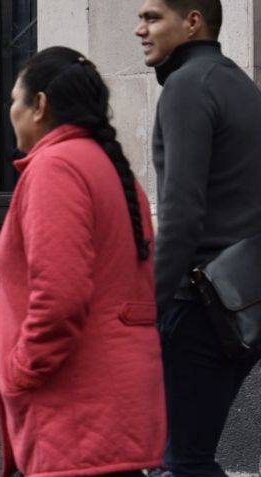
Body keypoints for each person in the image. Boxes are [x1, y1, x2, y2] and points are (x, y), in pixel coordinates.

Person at [0, 46, 166, 476]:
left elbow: (60, 296)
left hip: (73, 407)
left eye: (15, 99)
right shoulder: (105, 165)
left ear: (40, 105)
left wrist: (19, 372)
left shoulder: (56, 168)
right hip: (108, 404)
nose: (10, 111)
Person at [134, 1, 261, 475]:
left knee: (181, 460)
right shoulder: (238, 84)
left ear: (192, 22)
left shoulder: (188, 87)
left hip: (203, 303)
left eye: (152, 18)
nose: (139, 29)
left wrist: (151, 303)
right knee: (185, 456)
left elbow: (182, 213)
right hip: (242, 300)